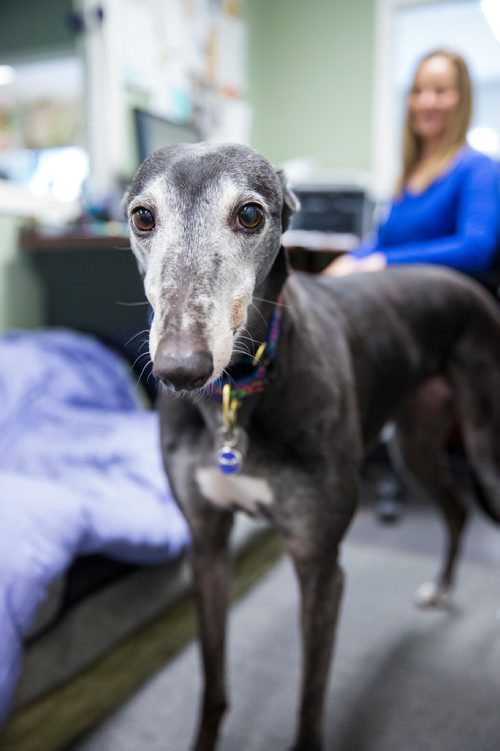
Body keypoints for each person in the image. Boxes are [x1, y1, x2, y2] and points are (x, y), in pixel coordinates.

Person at [325, 48, 499, 278]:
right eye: (418, 91)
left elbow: (475, 248)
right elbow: (381, 242)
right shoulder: (408, 177)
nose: (426, 101)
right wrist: (350, 260)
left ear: (462, 99)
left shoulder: (479, 169)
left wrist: (386, 261)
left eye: (440, 90)